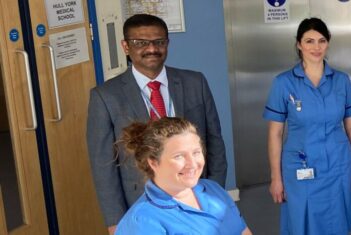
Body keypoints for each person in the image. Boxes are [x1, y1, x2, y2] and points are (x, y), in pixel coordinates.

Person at [87, 13, 227, 233]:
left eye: (159, 42)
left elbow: (214, 141)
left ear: (167, 44)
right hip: (140, 201)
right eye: (140, 43)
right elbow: (102, 164)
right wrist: (115, 220)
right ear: (126, 46)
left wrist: (215, 193)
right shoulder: (106, 96)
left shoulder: (195, 83)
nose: (151, 49)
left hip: (195, 194)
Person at [263, 17, 351, 234]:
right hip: (300, 166)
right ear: (299, 44)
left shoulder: (341, 81)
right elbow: (275, 133)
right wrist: (276, 178)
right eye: (309, 41)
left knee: (337, 222)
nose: (316, 47)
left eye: (321, 41)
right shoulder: (284, 83)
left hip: (339, 165)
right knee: (303, 222)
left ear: (328, 42)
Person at [113, 118, 250, 235]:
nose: (192, 164)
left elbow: (243, 231)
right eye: (179, 156)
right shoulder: (141, 222)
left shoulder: (213, 189)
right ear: (153, 162)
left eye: (196, 152)